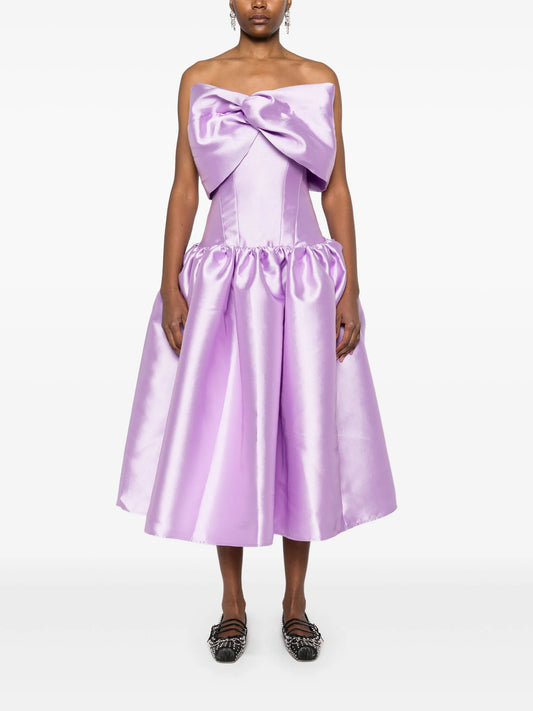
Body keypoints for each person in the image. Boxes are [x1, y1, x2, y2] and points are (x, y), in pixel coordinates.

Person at [116, 0, 398, 663]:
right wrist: (170, 282)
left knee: (302, 430)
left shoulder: (318, 78)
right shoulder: (200, 78)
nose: (259, 3)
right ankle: (232, 602)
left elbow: (336, 190)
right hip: (227, 281)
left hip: (301, 279)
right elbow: (184, 188)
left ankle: (295, 601)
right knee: (231, 432)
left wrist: (351, 285)